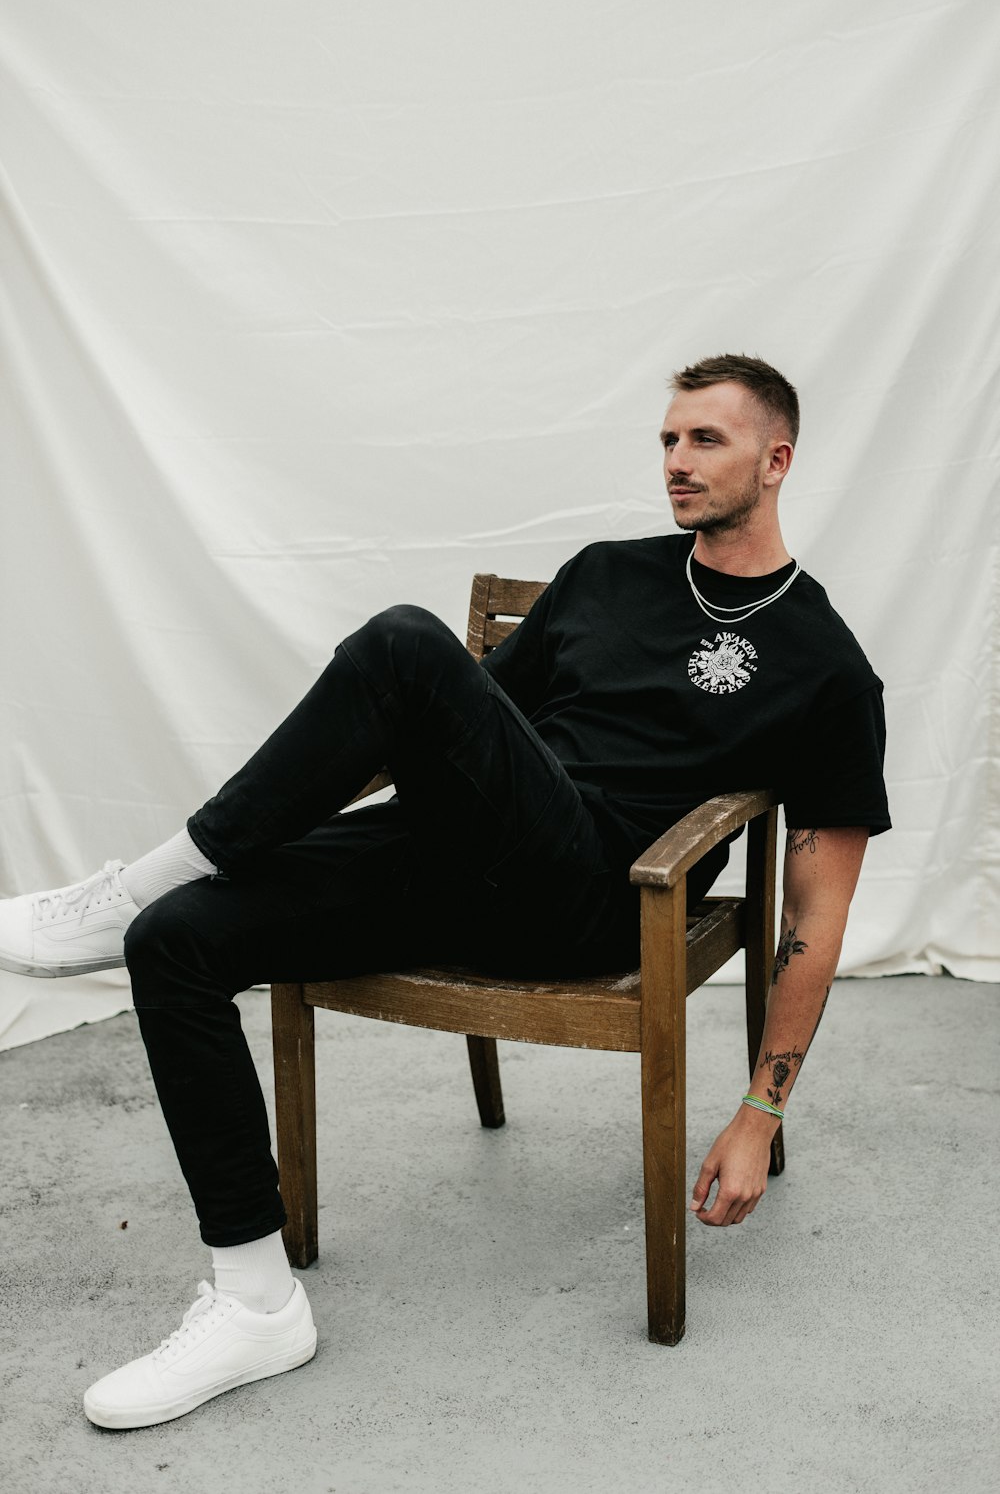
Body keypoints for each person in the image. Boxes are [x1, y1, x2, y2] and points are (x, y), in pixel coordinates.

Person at [0, 354, 890, 1428]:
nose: (676, 462)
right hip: (460, 855)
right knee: (176, 943)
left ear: (777, 459)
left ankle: (136, 882)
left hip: (596, 896)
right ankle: (255, 1299)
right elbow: (456, 727)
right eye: (666, 439)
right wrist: (304, 828)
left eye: (706, 440)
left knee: (402, 642)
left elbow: (814, 921)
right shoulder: (607, 573)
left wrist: (757, 1111)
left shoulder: (824, 666)